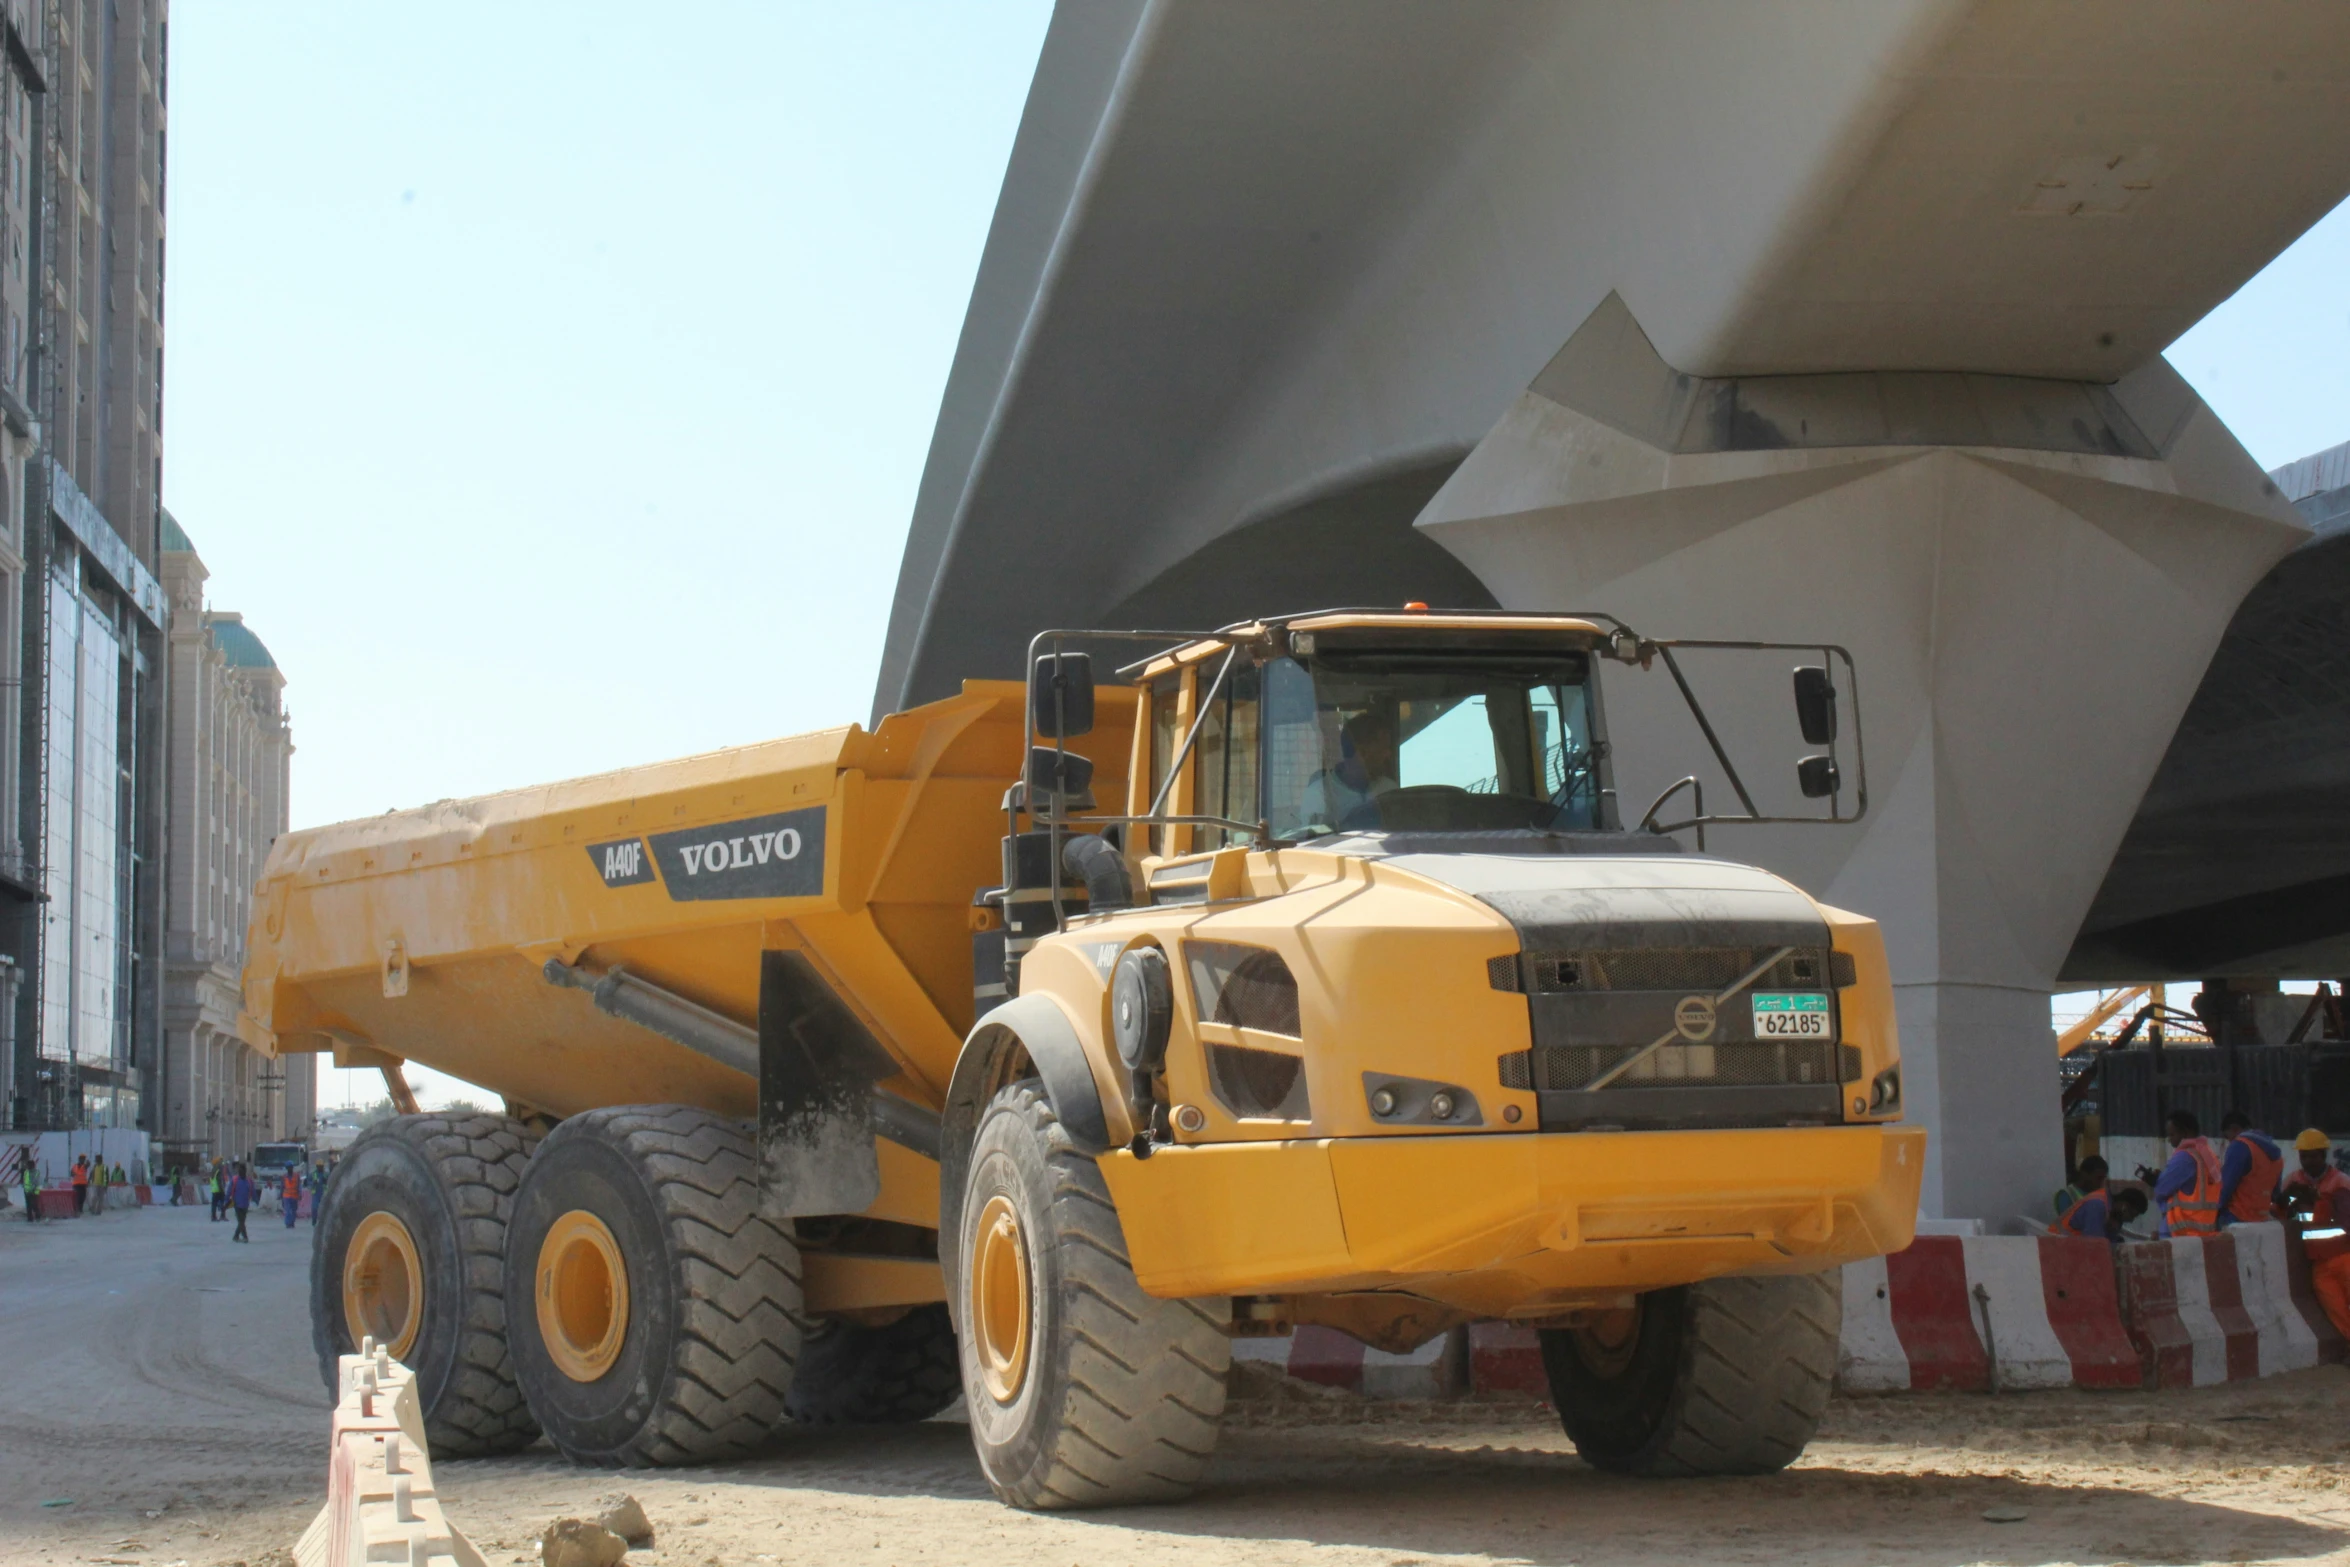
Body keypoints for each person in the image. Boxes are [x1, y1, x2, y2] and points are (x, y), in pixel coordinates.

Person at [2276, 1128, 2348, 1339]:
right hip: (2317, 1262)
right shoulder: (2292, 1182)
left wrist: (2319, 1203)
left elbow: (2346, 1221)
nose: (2307, 1161)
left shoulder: (2340, 1183)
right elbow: (2280, 1217)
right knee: (2337, 1310)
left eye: (2313, 1156)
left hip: (2344, 1256)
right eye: (2303, 1156)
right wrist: (2282, 1202)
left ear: (2324, 1155)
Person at [1317, 711, 1400, 829]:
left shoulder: (1390, 791)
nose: (1388, 754)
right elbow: (1308, 842)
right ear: (1362, 752)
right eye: (1383, 749)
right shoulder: (1320, 794)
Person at [2151, 1109, 2222, 1238]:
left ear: (2186, 1132)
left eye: (2172, 1135)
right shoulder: (2208, 1155)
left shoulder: (2185, 1157)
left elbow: (2161, 1189)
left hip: (2179, 1229)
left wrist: (2157, 1180)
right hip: (2204, 1230)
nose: (2169, 1140)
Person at [2217, 1110, 2284, 1227]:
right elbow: (2275, 1194)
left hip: (2236, 1218)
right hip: (2262, 1220)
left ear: (2234, 1129)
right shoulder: (2275, 1154)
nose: (2229, 1142)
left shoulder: (2240, 1146)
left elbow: (2225, 1187)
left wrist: (2214, 1212)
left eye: (2228, 1138)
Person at [228, 1163, 254, 1243]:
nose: (241, 1172)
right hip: (237, 1204)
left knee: (241, 1222)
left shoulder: (249, 1181)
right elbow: (229, 1191)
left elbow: (253, 1192)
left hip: (245, 1204)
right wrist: (225, 1201)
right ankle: (245, 1237)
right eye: (240, 1171)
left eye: (242, 1171)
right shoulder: (235, 1180)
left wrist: (258, 1201)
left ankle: (236, 1236)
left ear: (245, 1171)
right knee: (241, 1222)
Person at [19, 1153, 38, 1222]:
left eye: (28, 1165)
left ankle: (34, 1217)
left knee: (32, 1205)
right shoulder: (28, 1172)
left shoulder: (33, 1172)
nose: (27, 1166)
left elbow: (35, 1181)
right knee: (30, 1205)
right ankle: (31, 1218)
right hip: (28, 1191)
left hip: (31, 1191)